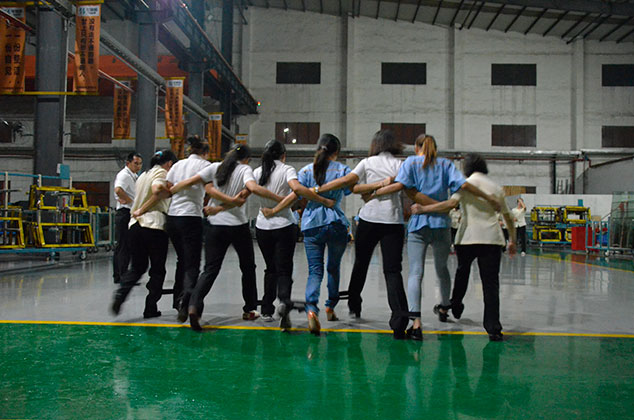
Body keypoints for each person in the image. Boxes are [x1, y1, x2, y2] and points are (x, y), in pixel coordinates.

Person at [373, 134, 500, 340]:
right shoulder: (445, 164)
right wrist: (488, 197)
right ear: (436, 148)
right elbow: (464, 185)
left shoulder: (410, 163)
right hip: (441, 225)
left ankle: (416, 323)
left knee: (416, 273)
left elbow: (400, 186)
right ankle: (444, 308)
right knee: (442, 270)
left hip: (418, 224)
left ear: (417, 148)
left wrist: (375, 192)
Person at [314, 129, 417, 339]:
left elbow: (349, 184)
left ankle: (354, 303)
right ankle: (399, 321)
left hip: (369, 220)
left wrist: (319, 189)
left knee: (360, 263)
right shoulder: (401, 164)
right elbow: (407, 189)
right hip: (393, 221)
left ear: (375, 144)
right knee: (392, 271)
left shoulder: (367, 163)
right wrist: (387, 186)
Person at [173, 144, 285, 331]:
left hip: (215, 226)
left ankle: (192, 305)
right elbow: (250, 190)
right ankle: (249, 309)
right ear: (247, 159)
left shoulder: (216, 167)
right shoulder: (245, 170)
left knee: (210, 270)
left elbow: (194, 181)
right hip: (237, 225)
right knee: (248, 268)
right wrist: (279, 199)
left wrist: (172, 190)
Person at [412, 153, 516, 341]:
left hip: (467, 237)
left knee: (462, 273)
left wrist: (424, 208)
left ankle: (456, 305)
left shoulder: (464, 184)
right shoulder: (496, 187)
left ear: (467, 168)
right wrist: (512, 241)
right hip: (491, 239)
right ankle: (493, 328)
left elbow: (450, 204)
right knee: (490, 284)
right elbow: (508, 216)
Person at [266, 134, 352, 335]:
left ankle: (311, 308)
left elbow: (295, 195)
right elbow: (351, 189)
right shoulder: (343, 170)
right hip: (336, 223)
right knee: (333, 267)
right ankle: (330, 307)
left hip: (312, 224)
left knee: (315, 270)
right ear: (336, 152)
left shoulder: (305, 171)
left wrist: (275, 210)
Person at [253, 139, 334, 329]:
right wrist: (321, 199)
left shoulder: (257, 172)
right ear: (283, 155)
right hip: (284, 225)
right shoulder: (287, 169)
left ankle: (266, 309)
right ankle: (284, 302)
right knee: (284, 269)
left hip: (262, 226)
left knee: (270, 268)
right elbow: (297, 189)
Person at [111, 150, 177, 318]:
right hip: (154, 225)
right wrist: (168, 192)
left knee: (137, 267)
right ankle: (150, 307)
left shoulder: (142, 176)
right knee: (157, 270)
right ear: (169, 163)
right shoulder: (161, 173)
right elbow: (158, 190)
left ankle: (121, 293)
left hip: (135, 226)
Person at [165, 136, 214, 322]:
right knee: (193, 264)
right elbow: (211, 189)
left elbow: (169, 187)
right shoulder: (206, 166)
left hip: (172, 217)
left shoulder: (177, 165)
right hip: (191, 216)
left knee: (182, 260)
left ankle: (177, 300)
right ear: (205, 152)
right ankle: (186, 301)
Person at [112, 152, 142, 284]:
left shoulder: (134, 176)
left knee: (127, 245)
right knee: (123, 246)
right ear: (128, 163)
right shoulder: (124, 175)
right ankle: (121, 275)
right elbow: (118, 190)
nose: (138, 166)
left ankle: (122, 274)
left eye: (140, 164)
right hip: (124, 213)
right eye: (136, 163)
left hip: (129, 213)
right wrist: (130, 202)